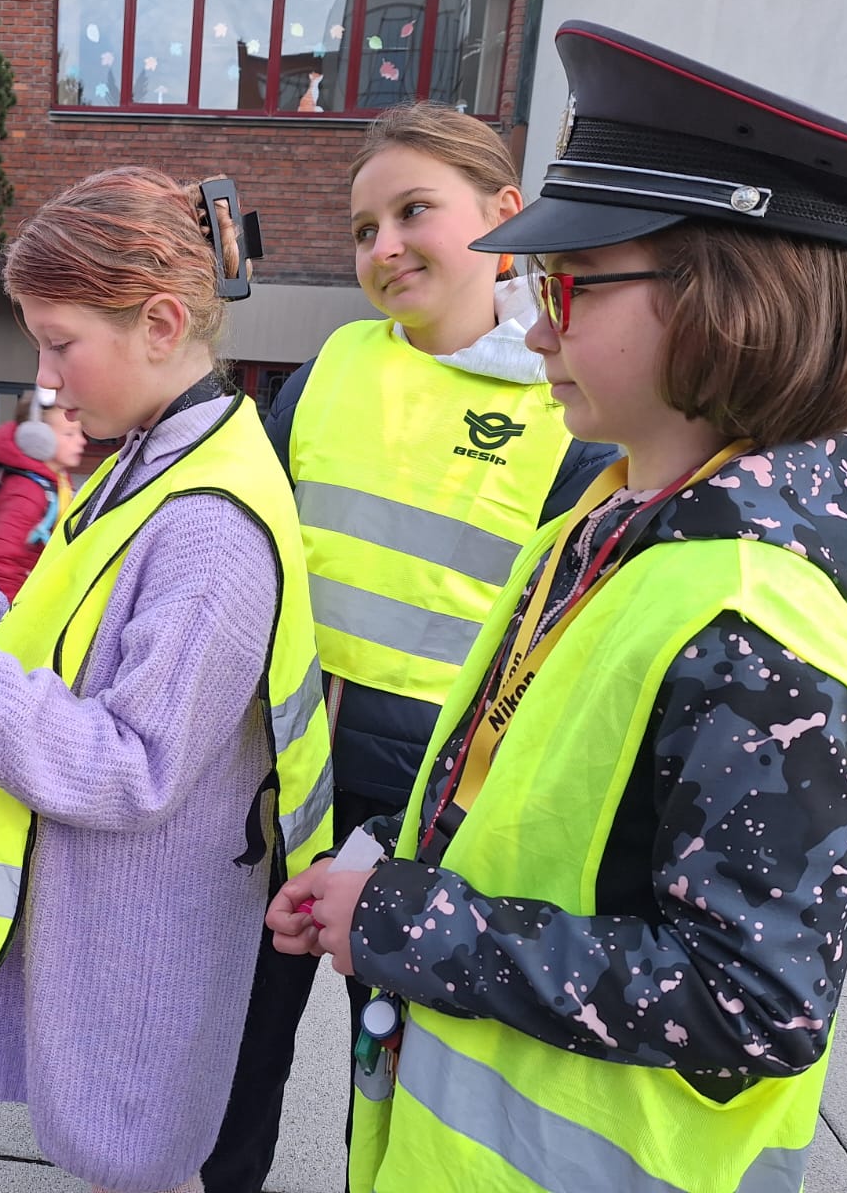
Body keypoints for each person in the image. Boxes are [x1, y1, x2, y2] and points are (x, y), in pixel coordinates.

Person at [273, 20, 847, 1193]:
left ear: (727, 302)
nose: (537, 327)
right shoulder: (615, 516)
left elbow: (753, 1002)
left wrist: (407, 923)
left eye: (569, 287)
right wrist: (386, 880)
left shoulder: (754, 626)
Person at [0, 166, 333, 1193]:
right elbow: (66, 646)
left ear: (160, 323)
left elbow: (130, 765)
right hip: (119, 915)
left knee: (141, 1159)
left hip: (145, 932)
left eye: (60, 343)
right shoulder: (155, 456)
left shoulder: (206, 529)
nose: (46, 377)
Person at [203, 101, 617, 1193]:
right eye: (362, 229)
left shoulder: (569, 406)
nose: (383, 246)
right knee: (237, 1039)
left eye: (412, 212)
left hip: (438, 800)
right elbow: (244, 544)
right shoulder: (332, 364)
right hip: (285, 767)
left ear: (505, 215)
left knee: (393, 1066)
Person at [0, 389, 87, 602]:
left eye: (80, 432)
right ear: (38, 437)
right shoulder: (26, 492)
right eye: (69, 434)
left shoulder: (55, 476)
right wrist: (10, 614)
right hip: (14, 603)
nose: (81, 441)